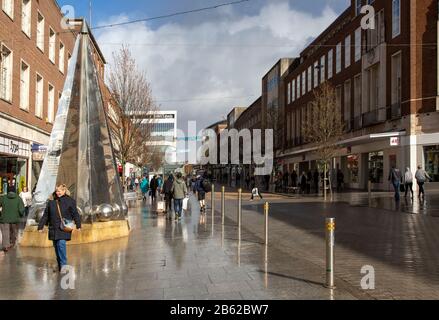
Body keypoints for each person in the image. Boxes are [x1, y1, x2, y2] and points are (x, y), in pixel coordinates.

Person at [37, 184, 81, 272]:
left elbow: (75, 213)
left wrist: (78, 225)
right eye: (57, 191)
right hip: (53, 227)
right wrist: (40, 226)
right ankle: (60, 265)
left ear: (64, 191)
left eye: (60, 191)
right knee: (56, 246)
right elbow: (46, 215)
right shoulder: (51, 201)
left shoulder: (70, 201)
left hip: (63, 227)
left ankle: (64, 265)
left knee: (61, 245)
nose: (58, 193)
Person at [0, 186, 25, 253]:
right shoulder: (18, 198)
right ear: (15, 191)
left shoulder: (3, 198)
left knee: (5, 232)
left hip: (4, 219)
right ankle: (12, 244)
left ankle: (6, 246)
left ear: (7, 191)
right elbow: (21, 210)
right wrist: (21, 215)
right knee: (14, 232)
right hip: (15, 219)